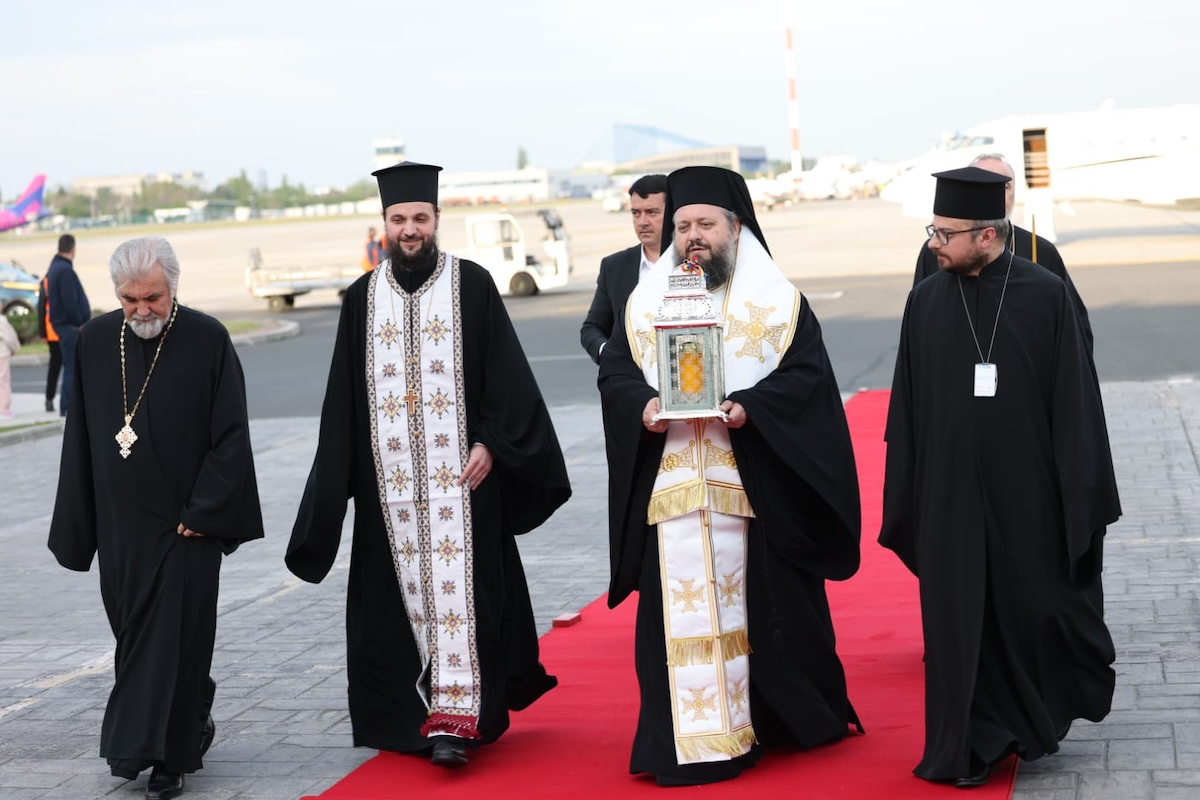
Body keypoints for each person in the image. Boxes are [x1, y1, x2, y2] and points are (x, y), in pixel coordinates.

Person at [286, 161, 571, 770]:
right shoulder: (360, 299)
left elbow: (508, 380)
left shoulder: (472, 285)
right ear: (384, 224)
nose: (409, 229)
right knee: (395, 612)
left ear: (437, 220)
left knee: (467, 602)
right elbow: (343, 401)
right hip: (389, 494)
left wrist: (492, 441)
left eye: (419, 218)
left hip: (466, 488)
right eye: (398, 219)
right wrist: (334, 491)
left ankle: (459, 719)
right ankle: (413, 720)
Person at [598, 166, 863, 786]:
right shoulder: (643, 304)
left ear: (736, 229)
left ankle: (768, 723)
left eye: (705, 225)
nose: (693, 236)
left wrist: (753, 408)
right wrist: (642, 407)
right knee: (673, 619)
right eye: (683, 225)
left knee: (766, 616)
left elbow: (806, 381)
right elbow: (616, 374)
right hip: (672, 491)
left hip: (752, 490)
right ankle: (685, 742)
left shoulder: (779, 302)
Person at [880, 167, 1120, 788]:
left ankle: (1028, 722)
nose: (934, 242)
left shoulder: (1046, 294)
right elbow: (906, 406)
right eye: (932, 229)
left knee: (1027, 607)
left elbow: (1075, 400)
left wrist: (1078, 492)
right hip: (949, 495)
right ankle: (966, 745)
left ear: (987, 236)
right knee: (958, 621)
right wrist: (909, 490)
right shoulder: (925, 300)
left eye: (946, 233)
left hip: (1028, 493)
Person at [48, 235, 265, 800]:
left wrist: (208, 510)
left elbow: (232, 435)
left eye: (153, 298)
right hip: (123, 531)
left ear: (174, 287)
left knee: (182, 638)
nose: (142, 310)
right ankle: (192, 712)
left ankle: (168, 758)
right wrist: (81, 526)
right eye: (129, 300)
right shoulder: (95, 342)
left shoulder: (208, 338)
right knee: (136, 639)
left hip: (185, 526)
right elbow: (81, 440)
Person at [912, 153, 1093, 355]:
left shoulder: (1040, 250)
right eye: (985, 185)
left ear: (1015, 192)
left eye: (1004, 187)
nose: (995, 193)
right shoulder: (937, 251)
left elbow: (1073, 334)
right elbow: (921, 323)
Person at [580, 174, 668, 363]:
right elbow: (591, 329)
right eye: (636, 213)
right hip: (631, 383)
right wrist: (609, 355)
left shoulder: (694, 264)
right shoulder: (613, 267)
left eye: (652, 212)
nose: (642, 221)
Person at [44, 233, 90, 417]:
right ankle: (68, 406)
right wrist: (79, 322)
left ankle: (67, 406)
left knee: (70, 366)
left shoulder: (54, 268)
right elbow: (69, 300)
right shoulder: (64, 270)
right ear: (73, 248)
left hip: (61, 325)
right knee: (72, 367)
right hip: (69, 327)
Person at [36, 271, 62, 413]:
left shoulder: (46, 280)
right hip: (55, 332)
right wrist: (43, 332)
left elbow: (41, 308)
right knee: (57, 368)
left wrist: (42, 332)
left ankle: (49, 400)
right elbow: (42, 307)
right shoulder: (51, 280)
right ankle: (49, 399)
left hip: (53, 331)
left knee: (55, 368)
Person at [0, 312, 19, 419]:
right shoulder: (2, 321)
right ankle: (4, 409)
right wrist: (14, 348)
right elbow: (10, 338)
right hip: (2, 354)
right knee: (3, 381)